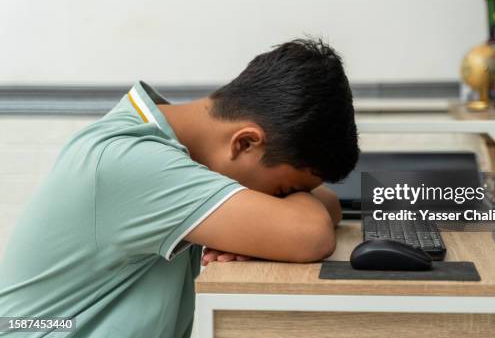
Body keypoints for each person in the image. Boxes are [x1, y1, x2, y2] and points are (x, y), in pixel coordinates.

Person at [0, 38, 359, 337]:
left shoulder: (166, 141)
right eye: (282, 191)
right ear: (245, 143)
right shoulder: (135, 162)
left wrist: (273, 223)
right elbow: (309, 234)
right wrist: (278, 227)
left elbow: (329, 206)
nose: (280, 200)